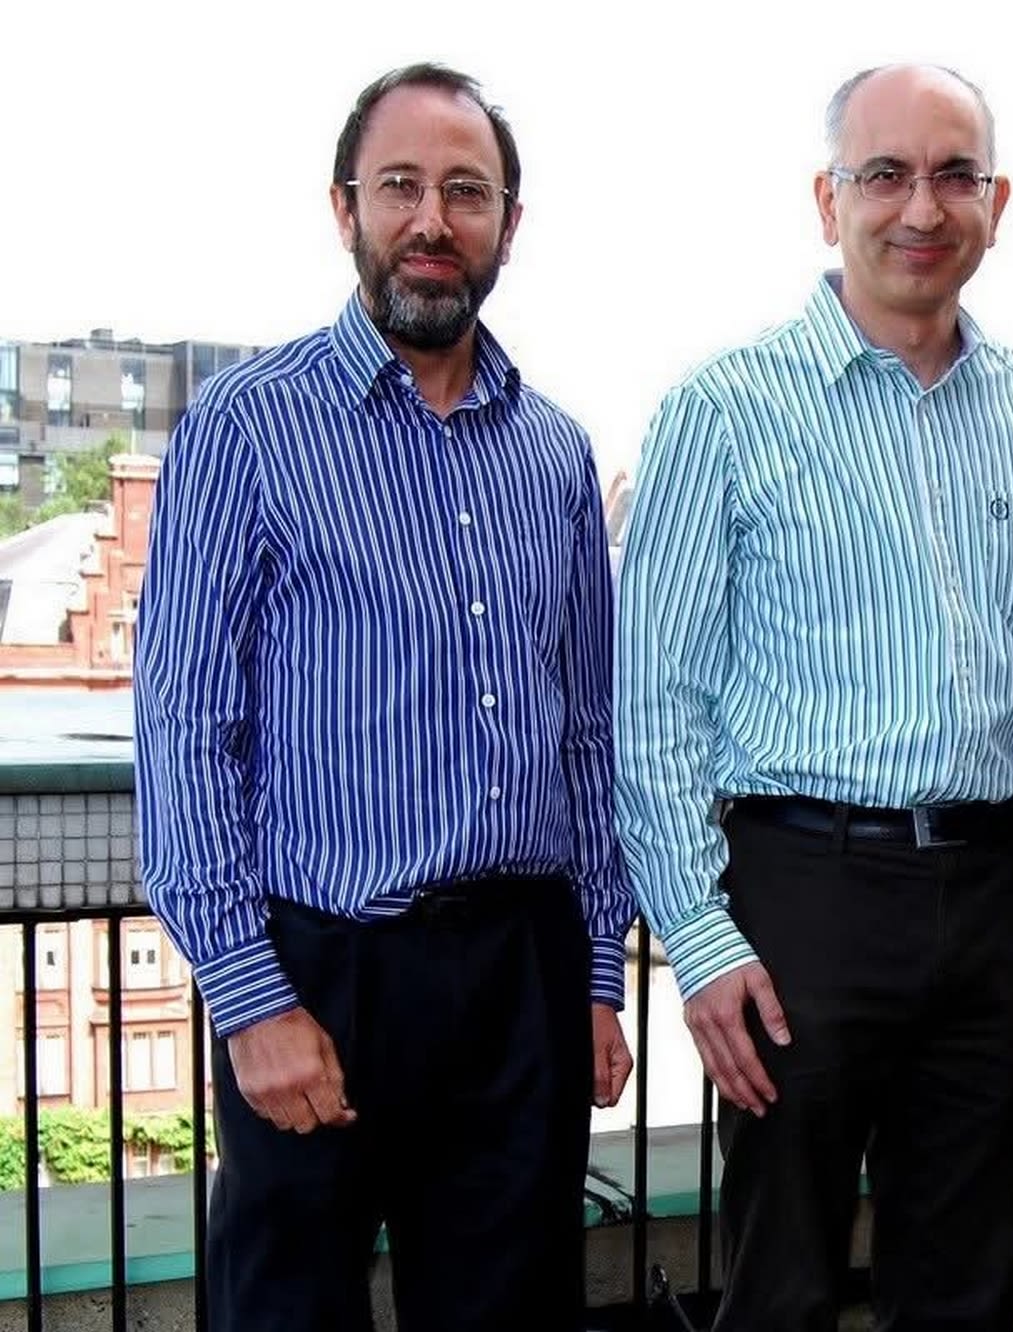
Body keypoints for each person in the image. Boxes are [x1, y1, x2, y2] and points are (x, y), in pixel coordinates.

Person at [134, 63, 636, 1332]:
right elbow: (188, 732)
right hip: (323, 971)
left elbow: (587, 736)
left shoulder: (557, 451)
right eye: (400, 186)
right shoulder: (249, 427)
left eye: (466, 191)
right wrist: (249, 1002)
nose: (432, 219)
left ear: (508, 224)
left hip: (519, 975)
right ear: (344, 207)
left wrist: (593, 979)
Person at [614, 63, 1013, 1332]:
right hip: (800, 904)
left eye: (952, 176)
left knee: (973, 1280)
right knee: (782, 1284)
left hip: (995, 902)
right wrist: (699, 939)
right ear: (827, 201)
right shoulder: (720, 410)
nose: (919, 208)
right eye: (883, 175)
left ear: (997, 205)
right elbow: (651, 703)